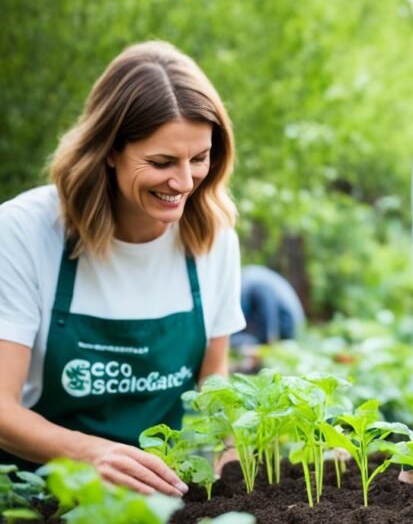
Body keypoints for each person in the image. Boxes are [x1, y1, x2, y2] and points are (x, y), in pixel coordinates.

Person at [0, 42, 245, 497]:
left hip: (160, 497)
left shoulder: (213, 236)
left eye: (199, 158)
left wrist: (230, 456)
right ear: (109, 150)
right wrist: (92, 454)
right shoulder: (23, 232)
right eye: (161, 162)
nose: (185, 182)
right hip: (35, 491)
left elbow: (214, 378)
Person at [232, 264, 305, 348]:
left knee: (234, 340)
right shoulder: (248, 278)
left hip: (288, 326)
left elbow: (269, 309)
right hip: (288, 324)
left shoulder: (250, 282)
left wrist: (270, 340)